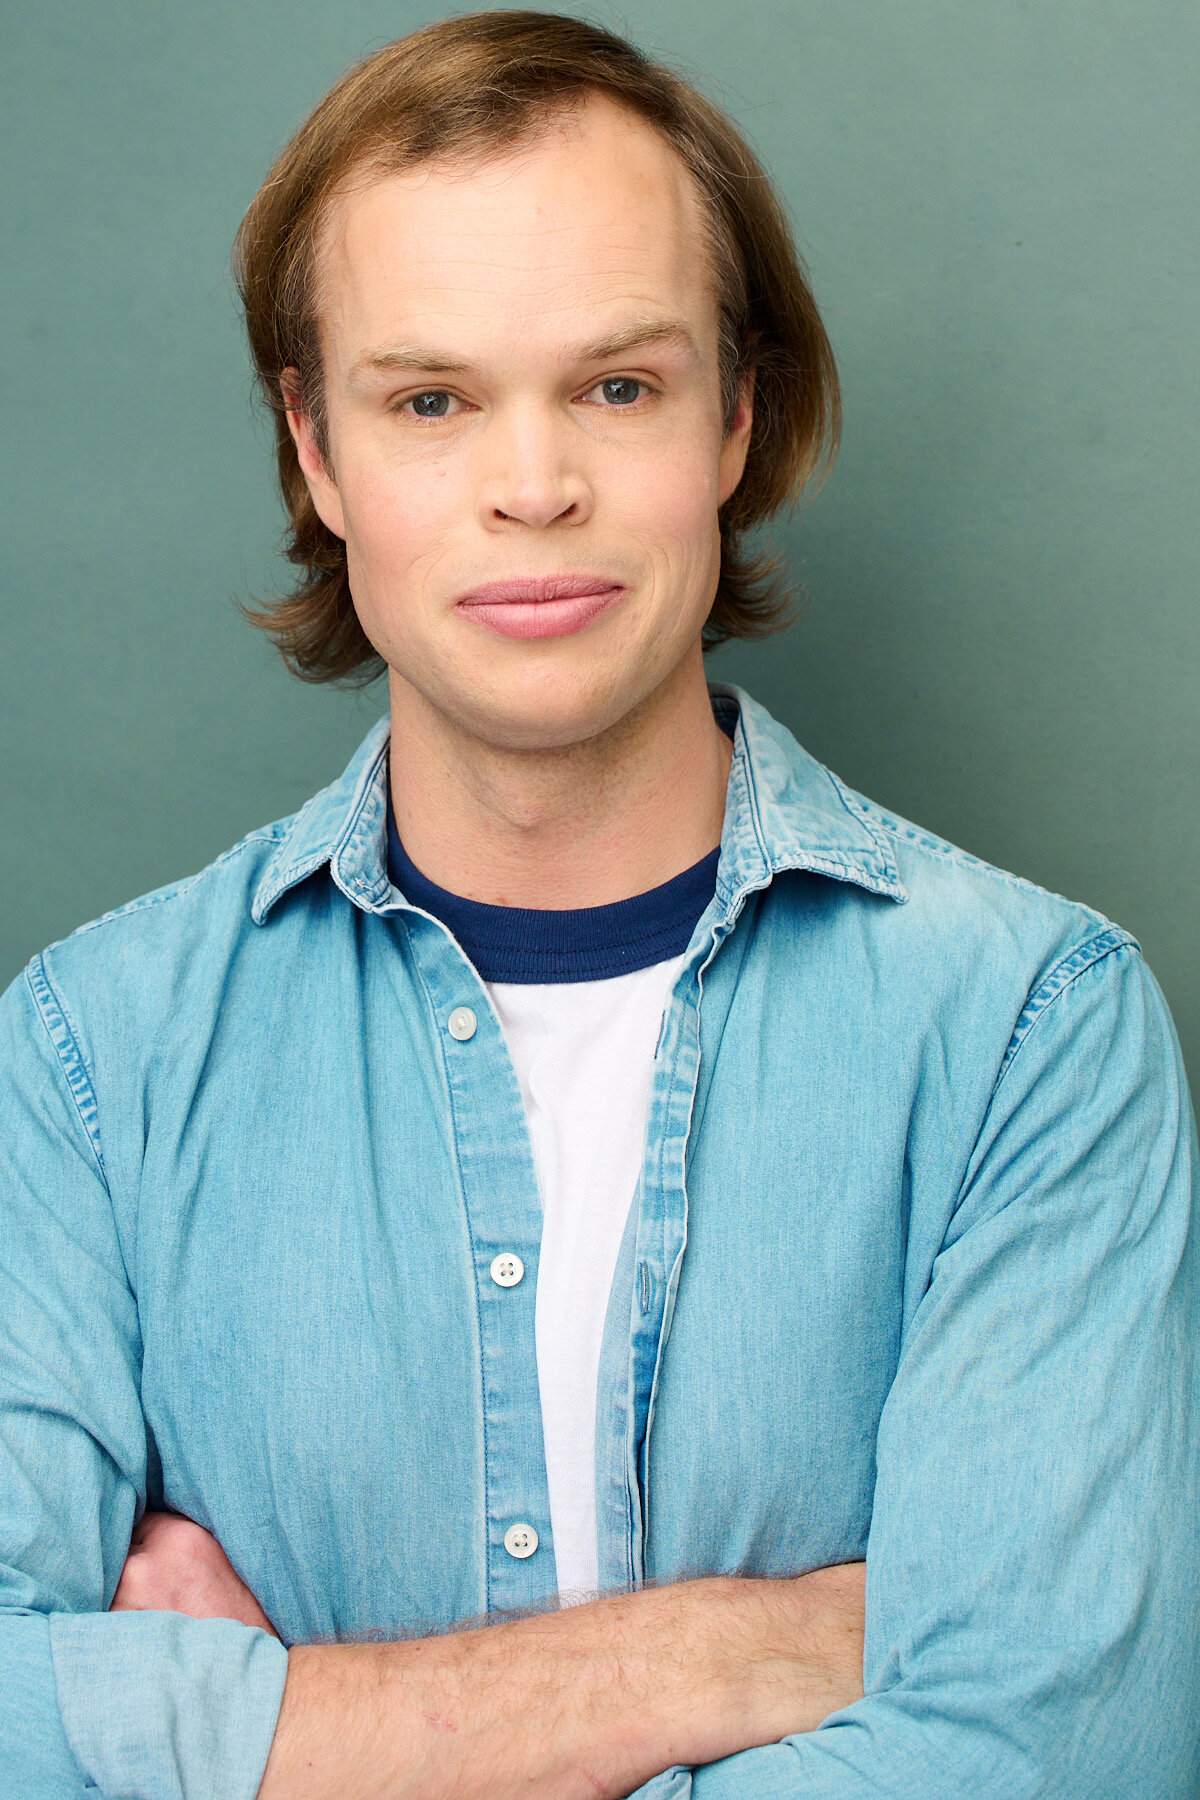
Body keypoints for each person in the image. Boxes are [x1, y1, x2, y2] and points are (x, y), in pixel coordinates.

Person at [1, 11, 1196, 1798]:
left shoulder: (1034, 1033)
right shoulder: (89, 1061)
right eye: (430, 401)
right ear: (315, 450)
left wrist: (266, 1736)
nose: (534, 486)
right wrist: (729, 1653)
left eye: (618, 388)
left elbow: (1063, 1758)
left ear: (737, 416)